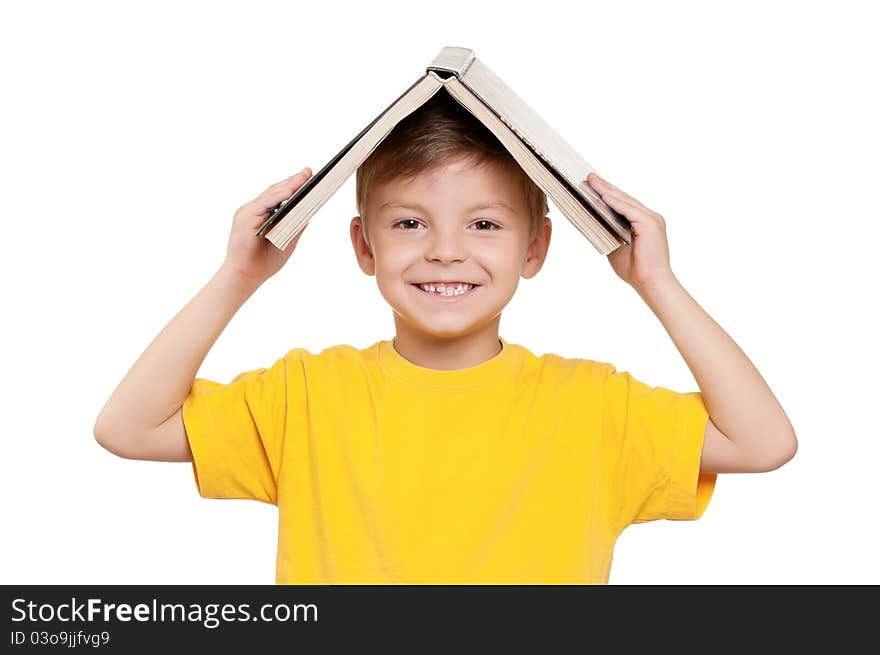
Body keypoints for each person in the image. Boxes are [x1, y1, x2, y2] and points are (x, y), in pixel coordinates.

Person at [94, 92, 797, 584]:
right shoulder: (306, 394)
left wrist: (657, 282)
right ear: (363, 246)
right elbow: (128, 427)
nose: (444, 251)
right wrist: (238, 276)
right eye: (409, 223)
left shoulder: (593, 405)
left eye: (484, 224)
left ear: (537, 248)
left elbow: (763, 442)